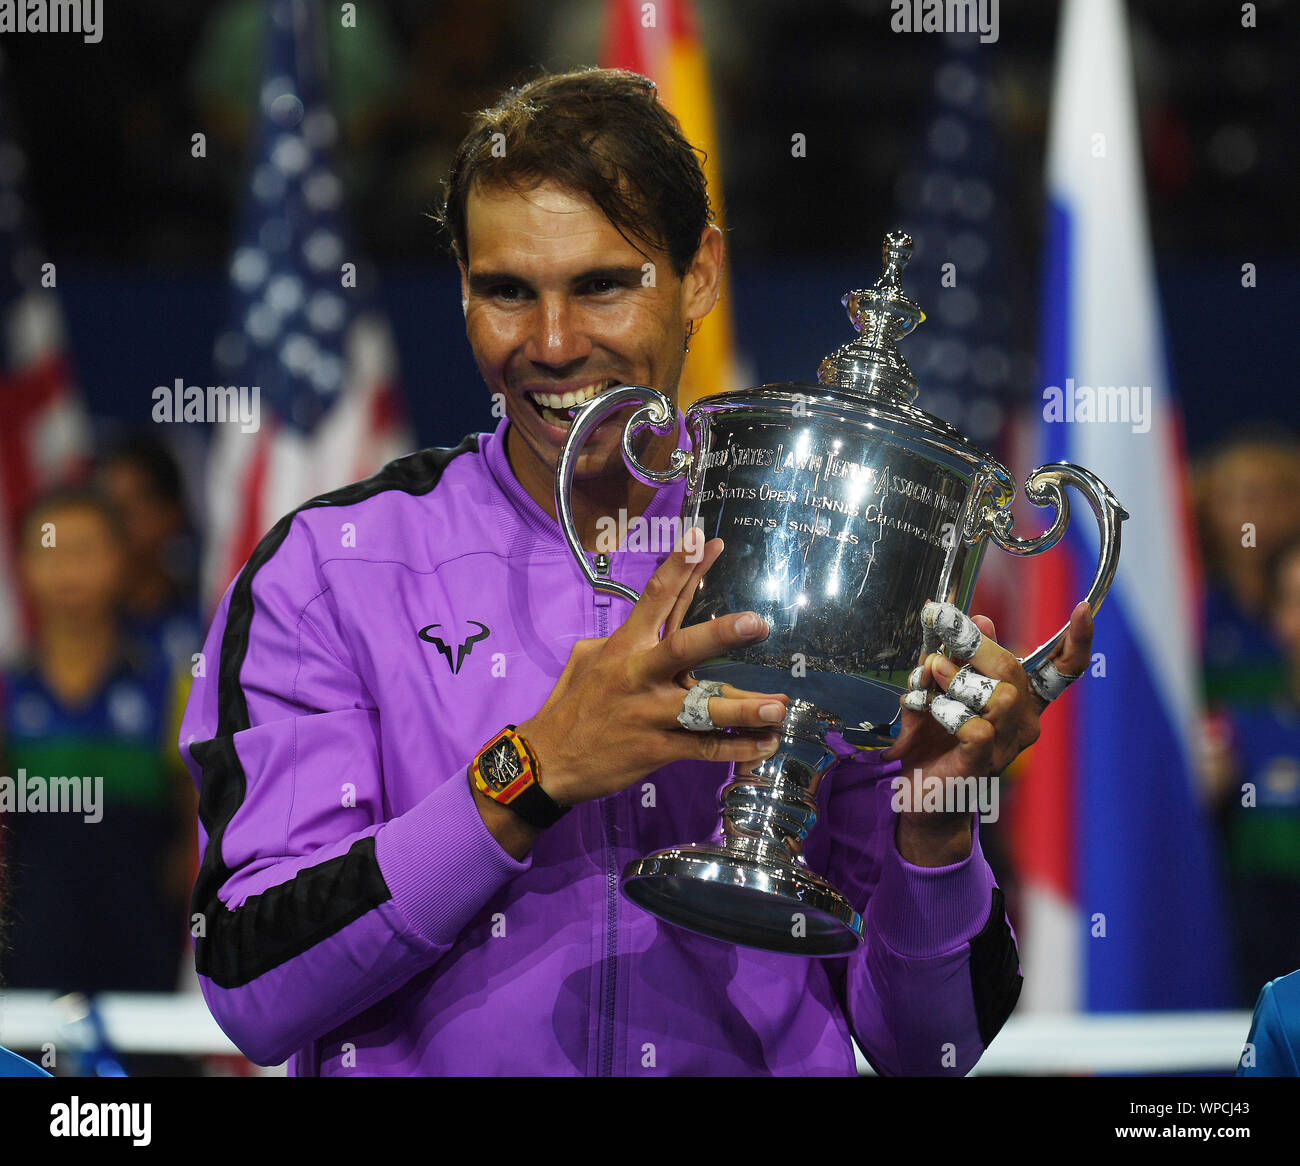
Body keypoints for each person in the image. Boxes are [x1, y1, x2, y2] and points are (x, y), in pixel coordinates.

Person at [178, 67, 1093, 1076]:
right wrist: (529, 771)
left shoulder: (833, 556)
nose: (555, 343)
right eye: (506, 292)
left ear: (699, 274)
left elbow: (934, 1046)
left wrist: (937, 815)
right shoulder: (329, 570)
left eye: (603, 284)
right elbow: (252, 987)